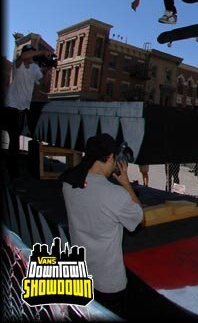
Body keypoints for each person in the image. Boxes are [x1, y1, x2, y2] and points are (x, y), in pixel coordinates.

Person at [60, 133, 143, 317]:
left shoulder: (69, 183)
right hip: (108, 283)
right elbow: (138, 218)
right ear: (111, 158)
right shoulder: (116, 195)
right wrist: (126, 184)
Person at [1, 44, 51, 183]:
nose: (33, 57)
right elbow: (24, 57)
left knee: (14, 141)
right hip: (11, 107)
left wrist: (48, 68)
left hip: (23, 108)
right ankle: (13, 174)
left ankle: (12, 171)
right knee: (14, 141)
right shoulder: (19, 64)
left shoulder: (34, 68)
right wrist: (42, 52)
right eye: (31, 53)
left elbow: (42, 83)